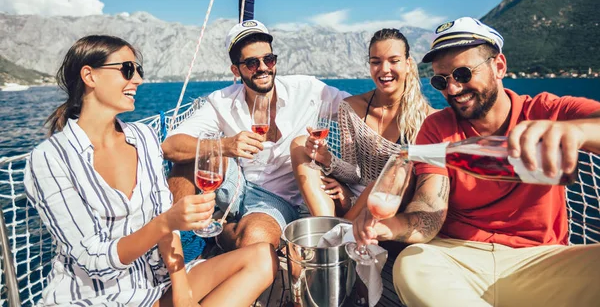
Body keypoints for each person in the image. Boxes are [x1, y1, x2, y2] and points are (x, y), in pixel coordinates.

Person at [352, 17, 600, 306]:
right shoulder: (437, 128)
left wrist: (575, 130)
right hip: (458, 257)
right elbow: (431, 207)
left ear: (499, 66)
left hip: (539, 262)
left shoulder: (546, 110)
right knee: (411, 265)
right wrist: (390, 228)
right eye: (441, 81)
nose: (453, 89)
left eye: (463, 73)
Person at [24, 35, 278, 307]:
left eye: (138, 71)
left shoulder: (143, 137)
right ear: (89, 75)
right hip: (97, 297)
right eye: (127, 70)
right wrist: (167, 222)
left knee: (263, 257)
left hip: (156, 284)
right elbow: (93, 261)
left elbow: (164, 217)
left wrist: (181, 292)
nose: (138, 81)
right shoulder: (50, 159)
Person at [162, 20, 349, 251]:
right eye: (251, 63)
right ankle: (171, 240)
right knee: (188, 156)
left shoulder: (308, 90)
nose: (262, 67)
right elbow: (170, 146)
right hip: (236, 182)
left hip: (275, 199)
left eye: (268, 59)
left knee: (254, 237)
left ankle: (221, 234)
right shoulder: (221, 101)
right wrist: (226, 144)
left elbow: (357, 111)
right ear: (236, 70)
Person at [290, 28, 434, 218]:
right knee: (300, 144)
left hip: (391, 205)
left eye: (394, 61)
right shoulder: (351, 108)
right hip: (352, 197)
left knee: (392, 173)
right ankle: (325, 223)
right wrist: (327, 159)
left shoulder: (428, 118)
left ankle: (338, 235)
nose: (384, 69)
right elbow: (354, 173)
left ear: (408, 64)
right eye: (376, 62)